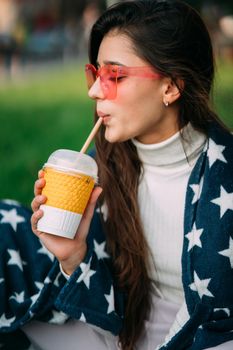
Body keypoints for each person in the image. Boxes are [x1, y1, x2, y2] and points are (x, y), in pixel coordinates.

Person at [0, 1, 233, 349]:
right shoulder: (103, 165)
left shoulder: (223, 180)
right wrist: (72, 255)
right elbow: (107, 302)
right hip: (116, 328)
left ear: (171, 87)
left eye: (115, 76)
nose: (94, 91)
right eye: (96, 74)